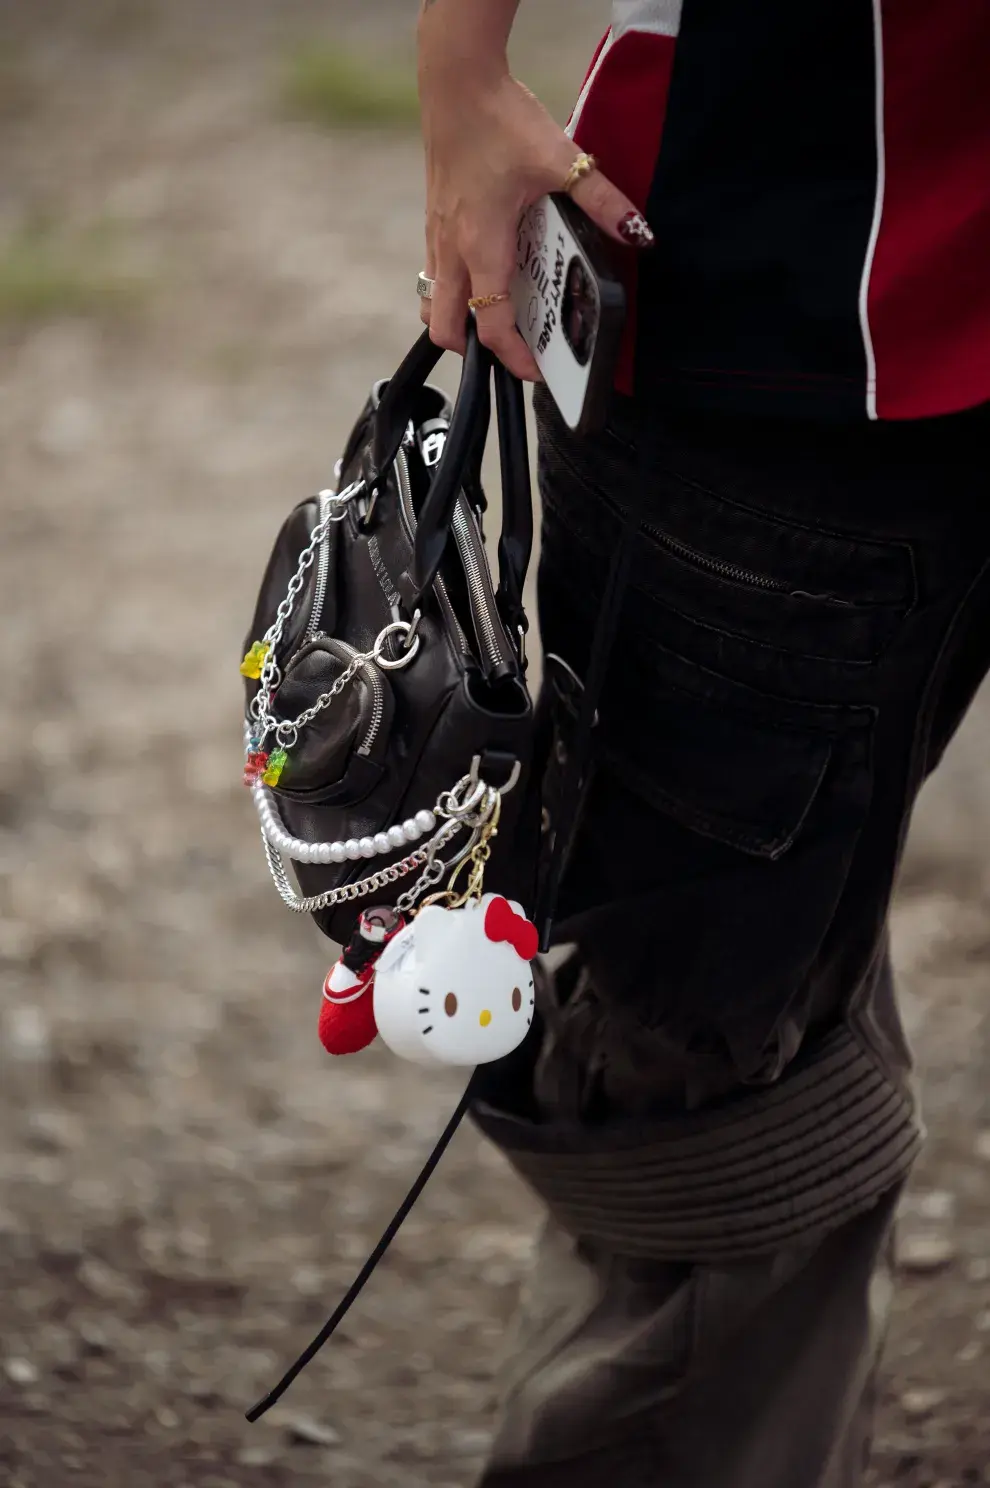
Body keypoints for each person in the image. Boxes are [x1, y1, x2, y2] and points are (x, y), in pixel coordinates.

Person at [416, 3, 990, 1485]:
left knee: (710, 1015)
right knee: (701, 1046)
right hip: (802, 287)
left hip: (810, 297)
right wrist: (461, 76)